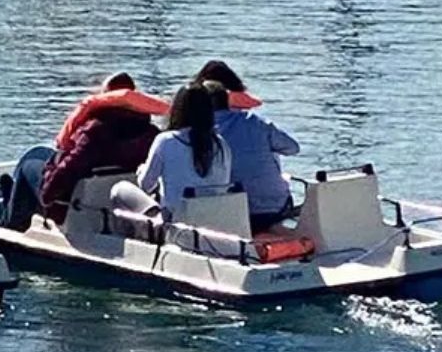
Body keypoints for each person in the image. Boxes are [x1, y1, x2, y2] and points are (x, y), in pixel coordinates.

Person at [35, 73, 166, 225]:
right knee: (40, 154)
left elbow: (69, 169)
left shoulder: (96, 131)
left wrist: (47, 193)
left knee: (29, 163)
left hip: (80, 204)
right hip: (118, 197)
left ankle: (11, 225)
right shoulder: (152, 134)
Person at [196, 62, 301, 232]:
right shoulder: (255, 122)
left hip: (231, 211)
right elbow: (293, 148)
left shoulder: (194, 133)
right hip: (275, 208)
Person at [134, 84, 234, 217]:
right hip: (215, 220)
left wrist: (142, 170)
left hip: (177, 224)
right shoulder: (221, 144)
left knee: (120, 190)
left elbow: (146, 185)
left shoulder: (165, 141)